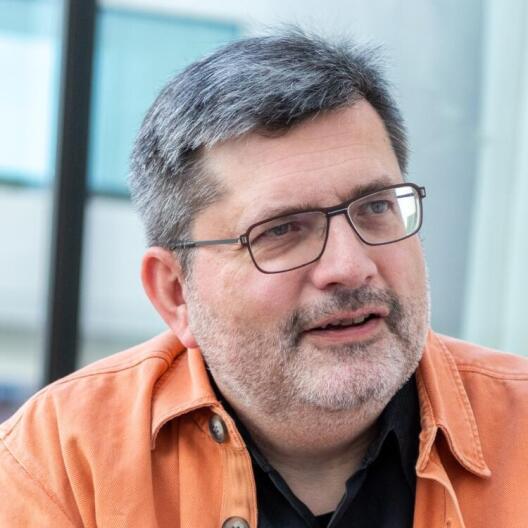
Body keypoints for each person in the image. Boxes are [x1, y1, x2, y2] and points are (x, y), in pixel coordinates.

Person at [1, 29, 528, 528]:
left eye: (375, 207)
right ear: (176, 293)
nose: (350, 266)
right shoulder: (60, 465)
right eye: (281, 230)